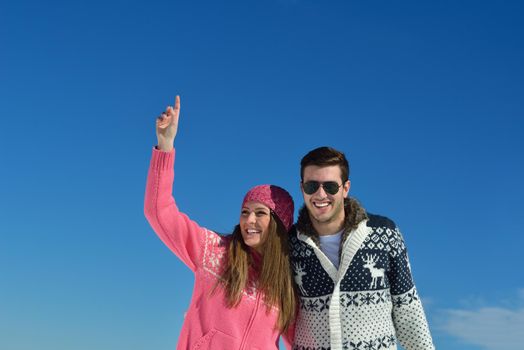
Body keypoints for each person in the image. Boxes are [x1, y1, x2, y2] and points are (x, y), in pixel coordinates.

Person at [144, 96, 297, 349]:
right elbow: (158, 212)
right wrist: (165, 146)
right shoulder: (213, 250)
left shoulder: (286, 287)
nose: (249, 220)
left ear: (280, 225)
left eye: (261, 213)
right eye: (245, 211)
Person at [289, 146, 435, 350]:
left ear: (345, 188)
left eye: (330, 187)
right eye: (312, 186)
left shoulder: (384, 233)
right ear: (302, 188)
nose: (320, 194)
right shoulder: (290, 244)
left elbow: (408, 311)